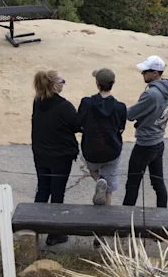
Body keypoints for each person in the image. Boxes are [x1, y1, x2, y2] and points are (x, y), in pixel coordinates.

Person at [123, 56, 168, 208]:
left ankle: (124, 221)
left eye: (146, 71)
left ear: (155, 73)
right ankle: (162, 216)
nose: (143, 74)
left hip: (145, 144)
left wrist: (117, 109)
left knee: (132, 184)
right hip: (158, 141)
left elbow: (130, 115)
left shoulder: (152, 94)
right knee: (157, 183)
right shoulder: (167, 89)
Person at [31, 70, 79, 245]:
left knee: (43, 189)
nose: (63, 84)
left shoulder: (37, 101)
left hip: (41, 153)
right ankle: (54, 233)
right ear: (55, 84)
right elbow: (76, 125)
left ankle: (33, 227)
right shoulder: (64, 106)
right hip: (60, 156)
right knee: (57, 193)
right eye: (62, 81)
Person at [78, 68, 127, 206]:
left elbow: (78, 124)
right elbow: (121, 128)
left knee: (93, 170)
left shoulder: (86, 102)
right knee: (109, 189)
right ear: (113, 83)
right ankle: (107, 213)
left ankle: (99, 180)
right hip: (112, 149)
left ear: (97, 84)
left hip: (91, 150)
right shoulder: (120, 107)